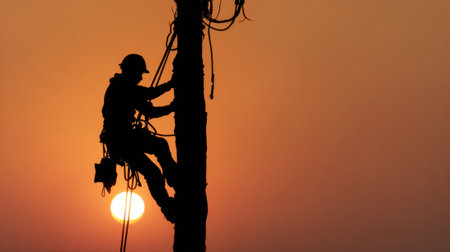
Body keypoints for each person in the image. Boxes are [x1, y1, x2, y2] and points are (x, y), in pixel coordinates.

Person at [100, 54, 176, 223]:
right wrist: (171, 87)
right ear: (130, 71)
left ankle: (173, 180)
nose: (140, 77)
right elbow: (149, 96)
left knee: (160, 147)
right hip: (122, 141)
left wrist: (170, 106)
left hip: (125, 139)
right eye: (139, 73)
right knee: (154, 172)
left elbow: (149, 108)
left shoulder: (124, 88)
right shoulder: (122, 88)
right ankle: (169, 205)